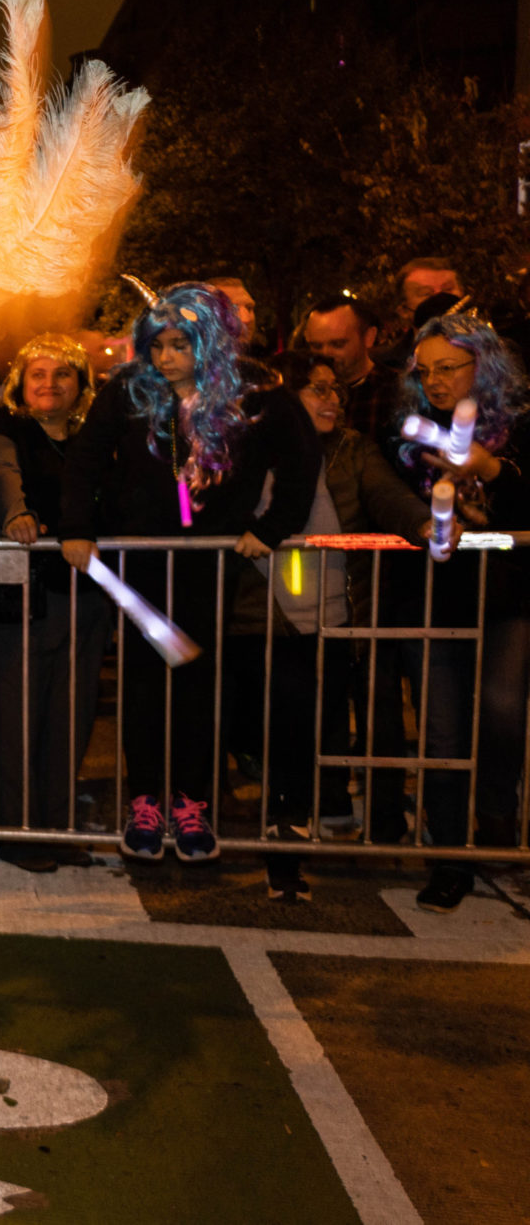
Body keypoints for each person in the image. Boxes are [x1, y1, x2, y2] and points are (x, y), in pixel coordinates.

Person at [60, 282, 320, 863]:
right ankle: (145, 801)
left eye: (179, 344)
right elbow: (83, 460)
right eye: (156, 346)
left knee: (201, 683)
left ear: (209, 342)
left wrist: (271, 528)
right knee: (144, 683)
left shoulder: (257, 392)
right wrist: (76, 527)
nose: (165, 358)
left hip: (210, 562)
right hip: (141, 560)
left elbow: (300, 462)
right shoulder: (129, 390)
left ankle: (193, 802)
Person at [231, 353, 430, 899]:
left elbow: (389, 497)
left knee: (301, 733)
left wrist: (423, 521)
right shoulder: (244, 448)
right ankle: (272, 829)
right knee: (268, 732)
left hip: (331, 620)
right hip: (256, 619)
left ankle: (287, 851)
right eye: (315, 389)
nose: (331, 399)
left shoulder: (352, 451)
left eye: (336, 391)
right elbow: (190, 503)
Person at [379, 301, 528, 911]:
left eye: (449, 368)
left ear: (483, 366)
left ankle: (495, 815)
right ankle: (449, 859)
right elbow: (387, 497)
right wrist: (428, 517)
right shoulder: (404, 430)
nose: (435, 380)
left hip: (509, 595)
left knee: (501, 709)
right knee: (439, 734)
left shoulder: (520, 425)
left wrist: (490, 472)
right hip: (432, 595)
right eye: (425, 370)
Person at [0, 333, 109, 872]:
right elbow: (1, 477)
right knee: (17, 713)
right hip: (19, 591)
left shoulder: (97, 434)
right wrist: (15, 515)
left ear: (82, 384)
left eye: (63, 374)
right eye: (38, 374)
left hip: (87, 590)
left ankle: (56, 828)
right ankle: (14, 829)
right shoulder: (2, 425)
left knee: (71, 714)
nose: (50, 384)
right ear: (20, 383)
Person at [302, 295, 400, 442]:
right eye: (316, 346)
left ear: (369, 337)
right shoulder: (299, 391)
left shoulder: (397, 392)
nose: (325, 354)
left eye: (338, 344)